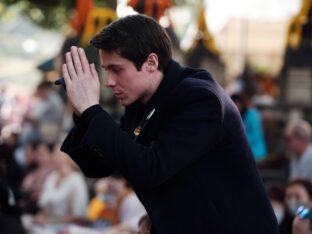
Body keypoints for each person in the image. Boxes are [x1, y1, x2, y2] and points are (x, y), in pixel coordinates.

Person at [59, 14, 278, 233]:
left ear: (151, 62)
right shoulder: (142, 100)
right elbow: (99, 165)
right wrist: (83, 113)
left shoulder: (201, 98)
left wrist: (92, 110)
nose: (109, 82)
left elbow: (150, 168)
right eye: (107, 71)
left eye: (117, 70)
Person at [231, 93, 268, 161]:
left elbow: (255, 135)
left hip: (255, 153)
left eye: (236, 104)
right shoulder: (239, 115)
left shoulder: (252, 115)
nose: (235, 107)